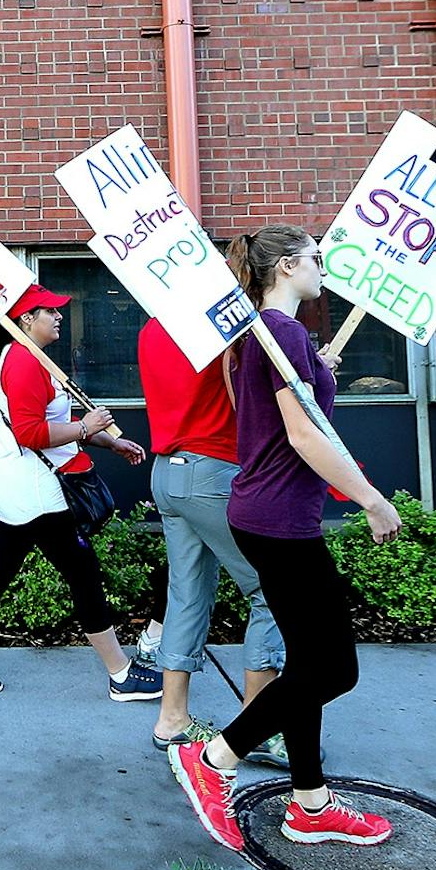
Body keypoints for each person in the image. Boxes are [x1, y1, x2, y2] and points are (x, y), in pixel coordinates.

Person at [169, 225, 405, 850]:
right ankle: (216, 756)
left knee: (306, 663)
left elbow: (282, 413)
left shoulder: (261, 336)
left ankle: (309, 803)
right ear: (288, 267)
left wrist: (317, 370)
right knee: (334, 667)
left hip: (265, 511)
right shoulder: (283, 333)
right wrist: (372, 500)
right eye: (316, 260)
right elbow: (302, 437)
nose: (322, 270)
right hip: (280, 519)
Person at [0, 284, 159, 701]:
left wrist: (109, 441)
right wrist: (87, 427)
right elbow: (31, 432)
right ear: (25, 321)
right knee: (83, 573)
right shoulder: (21, 361)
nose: (58, 317)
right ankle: (121, 674)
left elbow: (56, 421)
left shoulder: (31, 359)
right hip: (38, 494)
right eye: (49, 312)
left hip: (20, 489)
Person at [137, 314, 292, 763]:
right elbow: (255, 394)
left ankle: (173, 721)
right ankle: (256, 728)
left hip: (169, 470)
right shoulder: (218, 324)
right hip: (213, 469)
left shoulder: (153, 327)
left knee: (186, 593)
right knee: (273, 588)